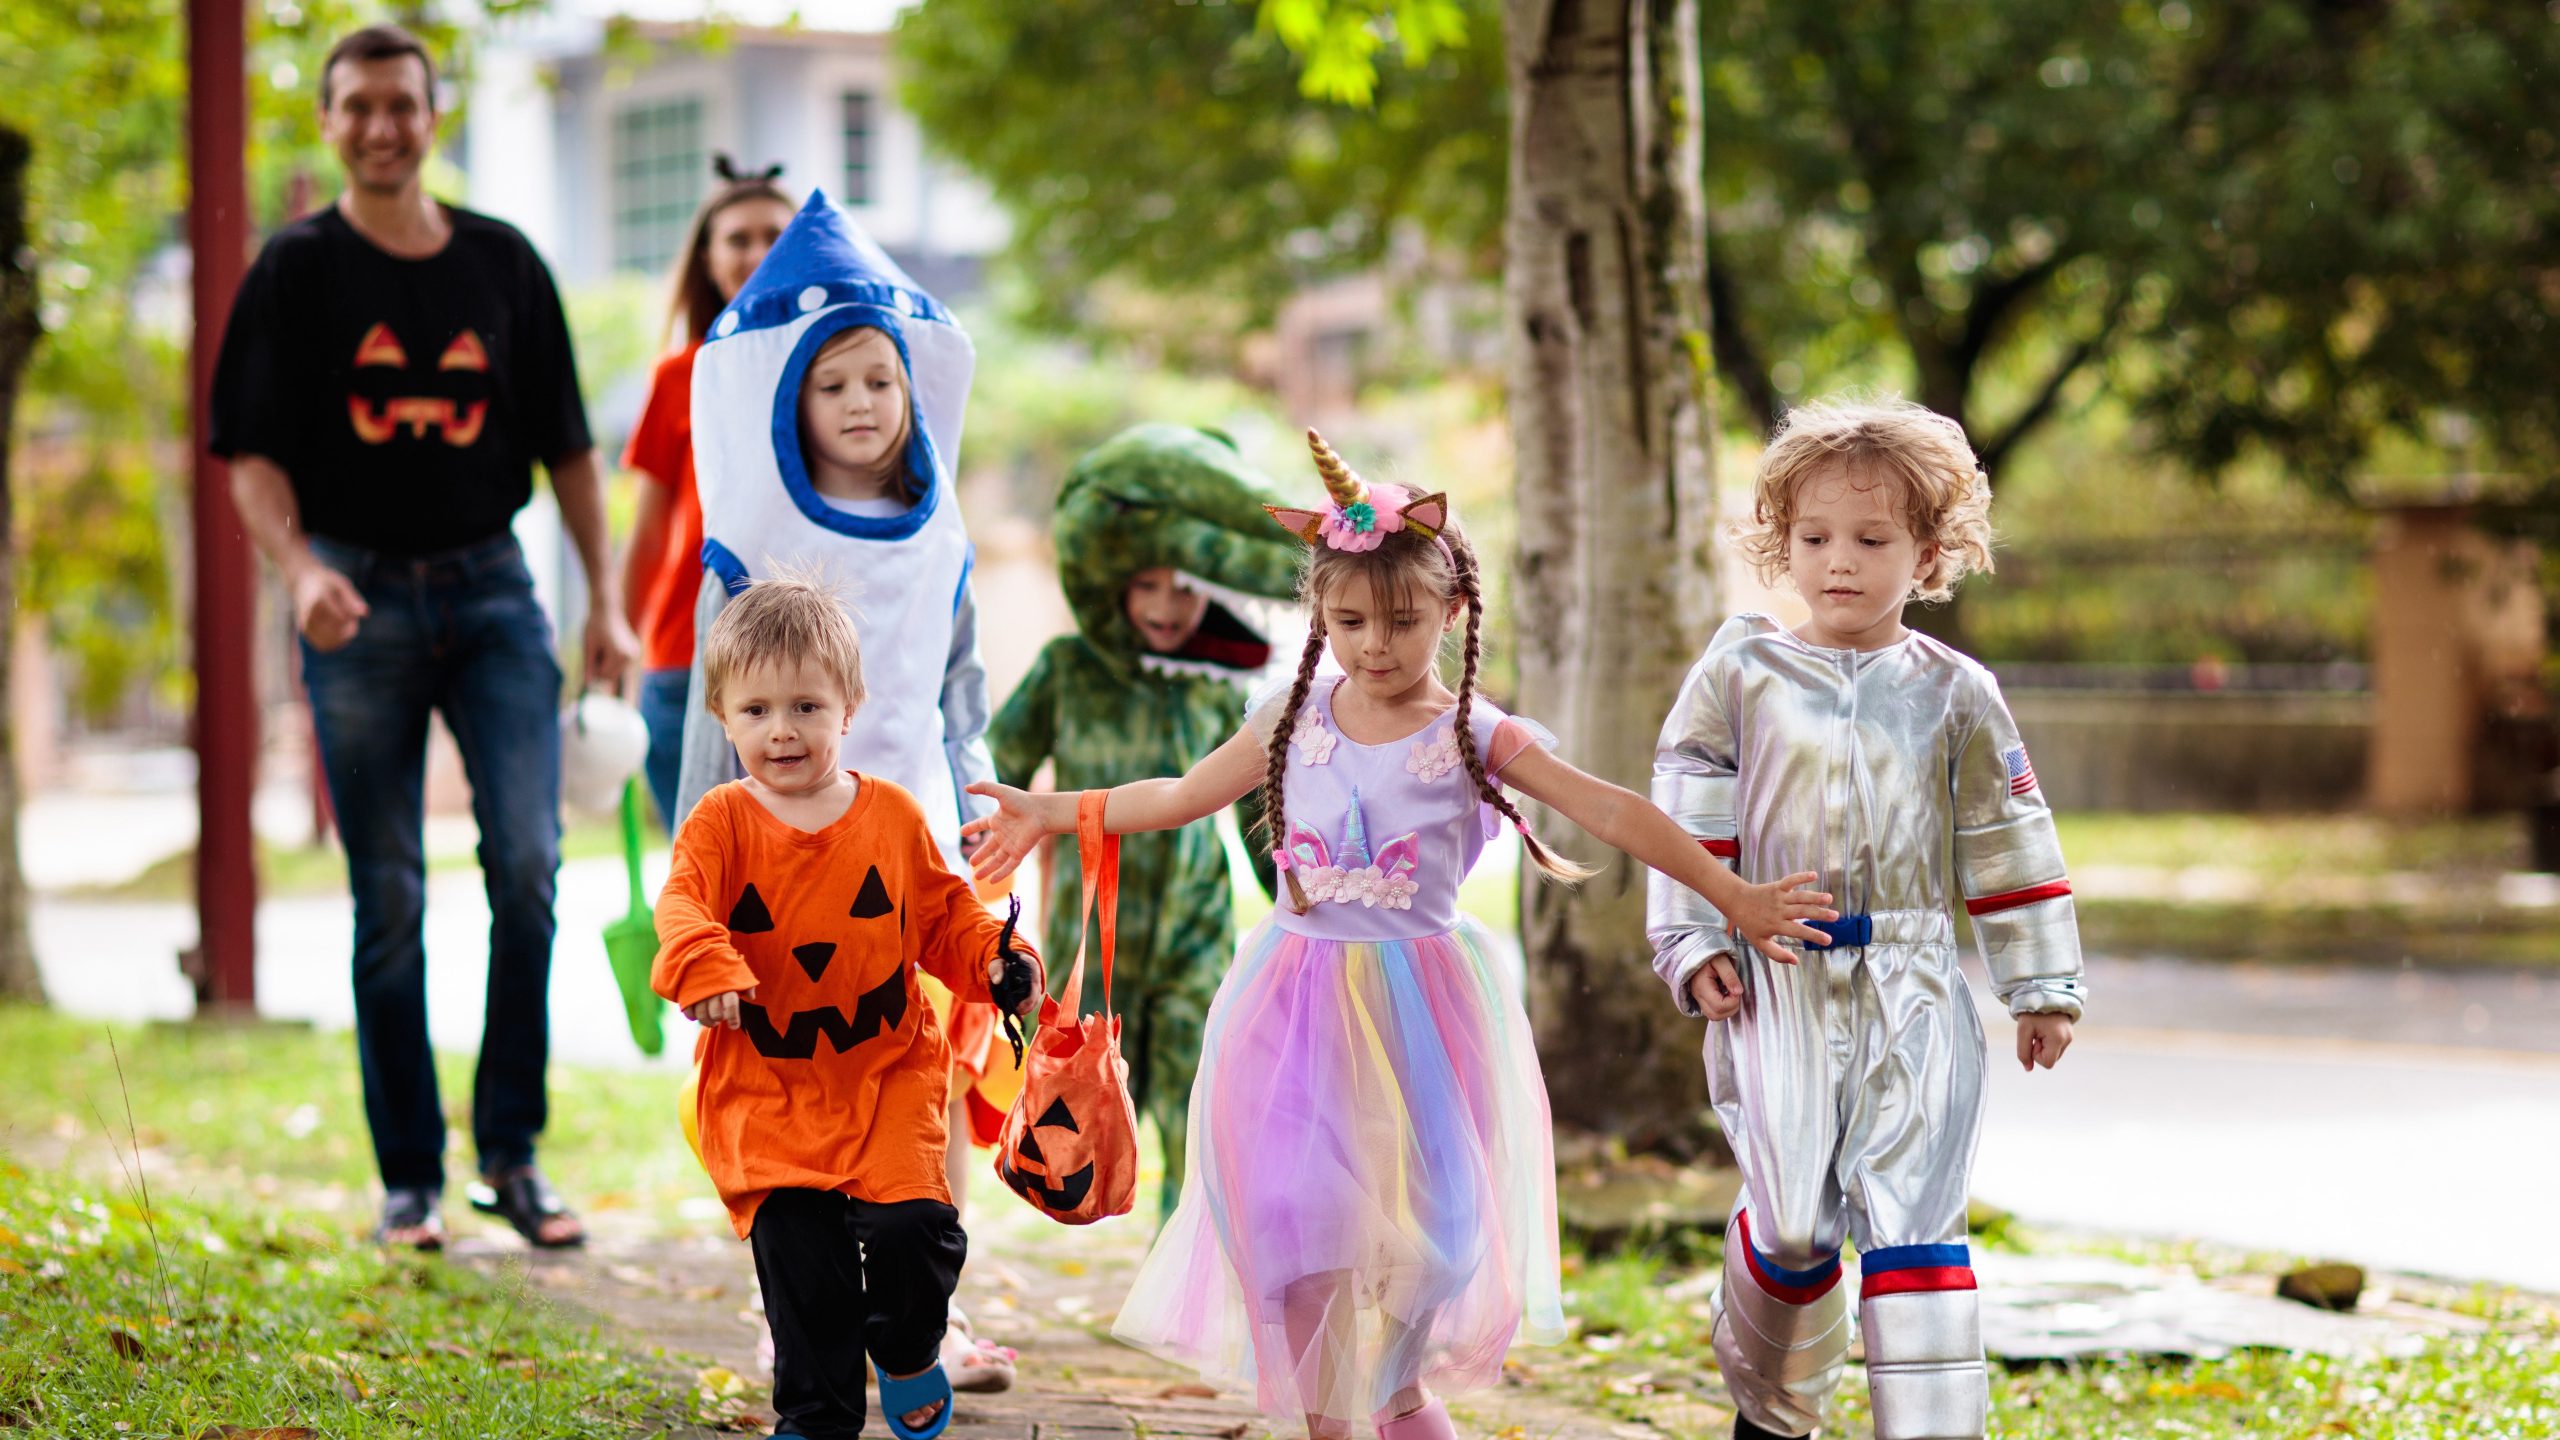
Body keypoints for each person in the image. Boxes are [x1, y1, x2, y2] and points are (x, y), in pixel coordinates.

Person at [962, 432, 1837, 1440]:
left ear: (1452, 610)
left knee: (1428, 1238)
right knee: (1291, 1218)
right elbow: (1179, 794)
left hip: (1423, 1009)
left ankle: (1399, 1395)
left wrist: (1731, 893)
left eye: (1401, 620)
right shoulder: (1291, 718)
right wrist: (1051, 808)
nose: (1374, 644)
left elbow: (1611, 813)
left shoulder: (1469, 735)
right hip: (1288, 1005)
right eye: (1347, 621)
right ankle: (1333, 1414)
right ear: (1318, 615)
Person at [208, 23, 636, 1252]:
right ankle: (411, 1180)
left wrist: (602, 599)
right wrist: (297, 571)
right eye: (359, 107)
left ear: (431, 115)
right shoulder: (294, 271)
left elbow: (567, 449)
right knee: (386, 893)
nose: (382, 125)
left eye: (403, 103)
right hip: (353, 594)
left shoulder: (503, 264)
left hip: (495, 592)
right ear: (330, 121)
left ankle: (513, 1153)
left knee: (528, 869)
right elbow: (247, 457)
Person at [1645, 398, 2085, 1440]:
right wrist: (1696, 936)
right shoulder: (1741, 673)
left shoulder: (1956, 693)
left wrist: (2041, 985)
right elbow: (1685, 802)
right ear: (1782, 544)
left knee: (1915, 1228)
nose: (1837, 561)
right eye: (1813, 538)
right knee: (1795, 1225)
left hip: (1916, 986)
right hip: (1775, 980)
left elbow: (2006, 834)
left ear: (1927, 552)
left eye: (1870, 539)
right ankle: (1771, 1409)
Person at [671, 188, 1019, 1391]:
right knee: (785, 1078)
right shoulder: (756, 530)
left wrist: (983, 799)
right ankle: (796, 1316)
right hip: (775, 849)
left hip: (911, 827)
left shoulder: (937, 526)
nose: (863, 403)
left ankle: (935, 1318)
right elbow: (714, 709)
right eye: (834, 384)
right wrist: (698, 871)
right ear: (788, 400)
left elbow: (960, 675)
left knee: (928, 1063)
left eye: (881, 379)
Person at [652, 575, 1042, 1440]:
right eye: (755, 711)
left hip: (884, 1071)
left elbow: (946, 920)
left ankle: (907, 1349)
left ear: (850, 706)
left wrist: (998, 961)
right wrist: (707, 964)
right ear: (722, 715)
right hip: (768, 1087)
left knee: (914, 1230)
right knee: (804, 1271)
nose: (780, 730)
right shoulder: (719, 824)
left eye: (804, 706)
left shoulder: (892, 819)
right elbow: (682, 908)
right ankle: (816, 1418)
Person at [985, 422, 1302, 1217]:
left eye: (1185, 586)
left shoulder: (1216, 690)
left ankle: (1187, 1246)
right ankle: (1085, 1189)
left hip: (1195, 927)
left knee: (1198, 1094)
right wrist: (976, 847)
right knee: (1093, 1082)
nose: (1167, 605)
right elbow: (1003, 761)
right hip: (1092, 930)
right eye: (1149, 585)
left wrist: (1294, 893)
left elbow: (1256, 813)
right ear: (1118, 584)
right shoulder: (1068, 670)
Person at [620, 157, 795, 830]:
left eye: (773, 235)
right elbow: (648, 531)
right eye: (738, 238)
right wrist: (615, 632)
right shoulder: (678, 377)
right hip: (685, 662)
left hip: (802, 664)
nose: (756, 253)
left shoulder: (837, 371)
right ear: (708, 258)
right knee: (709, 885)